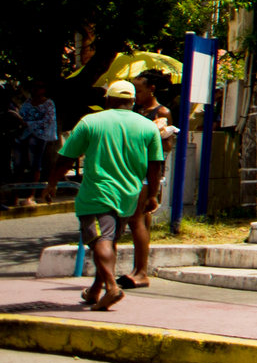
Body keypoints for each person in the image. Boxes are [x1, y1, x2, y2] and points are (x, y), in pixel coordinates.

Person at [58, 80, 164, 312]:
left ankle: (111, 287)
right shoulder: (148, 126)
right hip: (129, 195)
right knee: (108, 241)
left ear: (108, 100)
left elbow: (66, 157)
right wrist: (153, 195)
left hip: (97, 194)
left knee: (100, 241)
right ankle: (96, 289)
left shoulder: (91, 121)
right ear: (133, 101)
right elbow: (156, 165)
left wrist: (50, 183)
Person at [120, 72, 180, 287]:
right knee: (134, 221)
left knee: (140, 219)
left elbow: (167, 146)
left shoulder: (162, 112)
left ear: (151, 89)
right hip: (132, 168)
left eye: (139, 90)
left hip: (149, 171)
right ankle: (137, 269)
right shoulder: (135, 112)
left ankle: (141, 270)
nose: (136, 95)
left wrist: (156, 133)